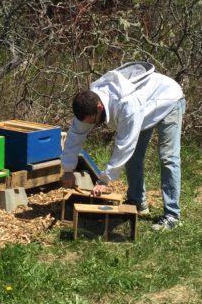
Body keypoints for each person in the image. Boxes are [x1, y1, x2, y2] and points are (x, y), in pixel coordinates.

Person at [60, 61, 185, 231]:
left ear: (99, 107)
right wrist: (67, 168)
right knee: (133, 157)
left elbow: (124, 144)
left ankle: (172, 215)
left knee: (168, 157)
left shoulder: (127, 103)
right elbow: (76, 134)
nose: (95, 125)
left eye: (94, 121)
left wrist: (105, 179)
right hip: (145, 105)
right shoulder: (89, 102)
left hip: (168, 100)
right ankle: (137, 201)